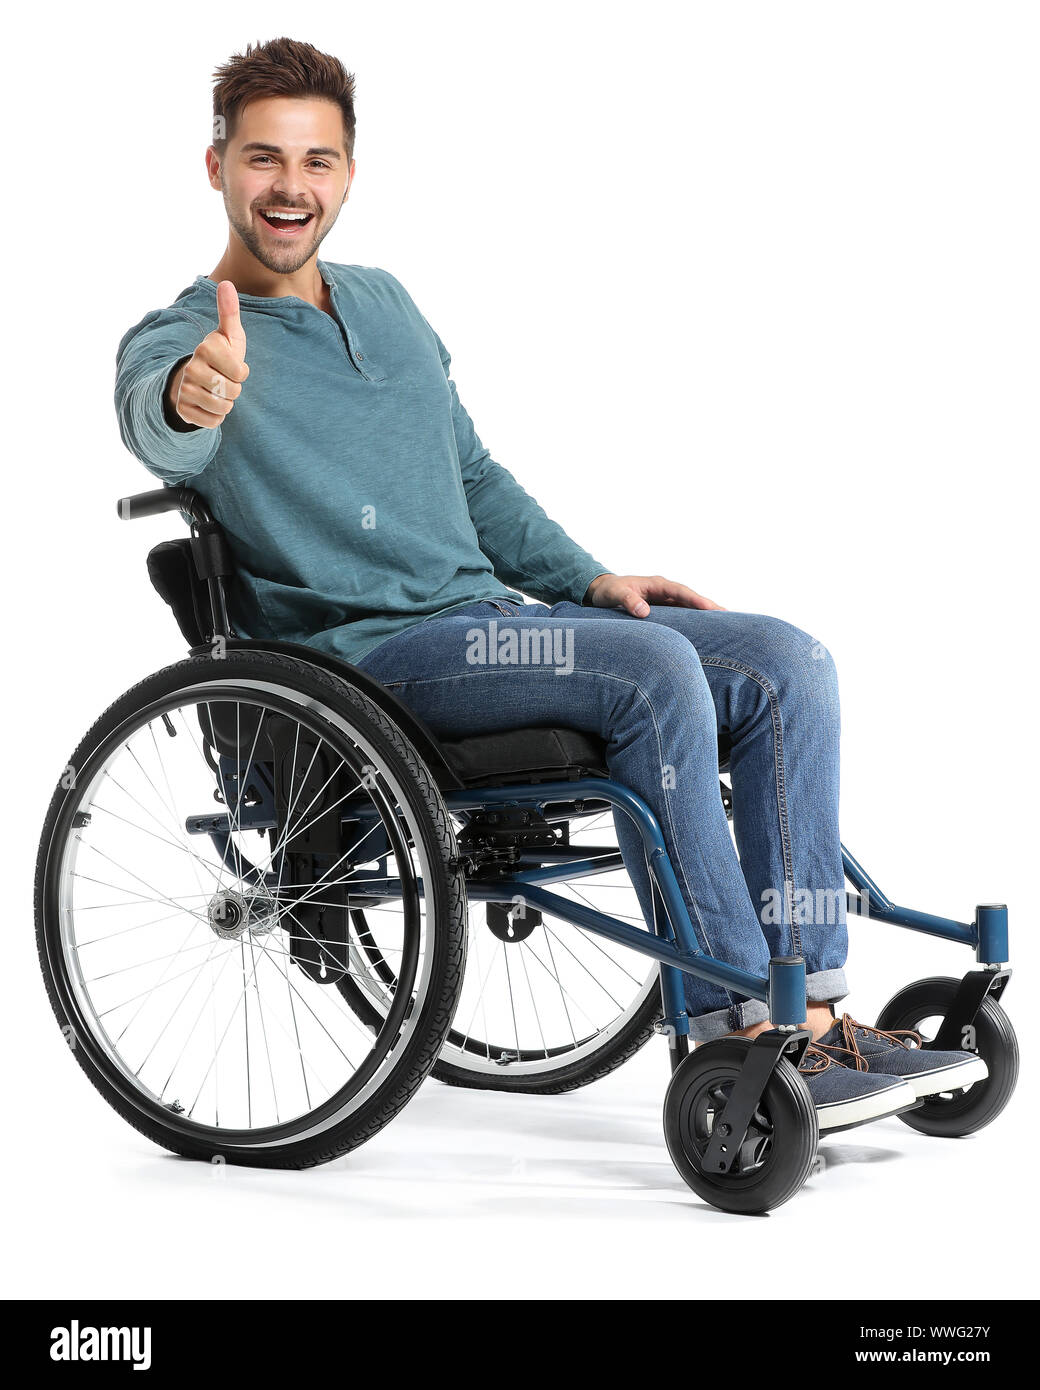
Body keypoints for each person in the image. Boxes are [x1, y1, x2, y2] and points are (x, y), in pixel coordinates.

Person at [115, 36, 985, 1133]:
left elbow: (472, 477)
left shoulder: (385, 303)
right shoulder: (180, 335)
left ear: (347, 170)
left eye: (317, 160)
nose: (291, 186)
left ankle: (812, 1004)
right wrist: (195, 395)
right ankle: (735, 1030)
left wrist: (584, 576)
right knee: (654, 671)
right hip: (375, 666)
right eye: (262, 159)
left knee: (784, 663)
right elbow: (158, 418)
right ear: (216, 168)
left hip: (493, 625)